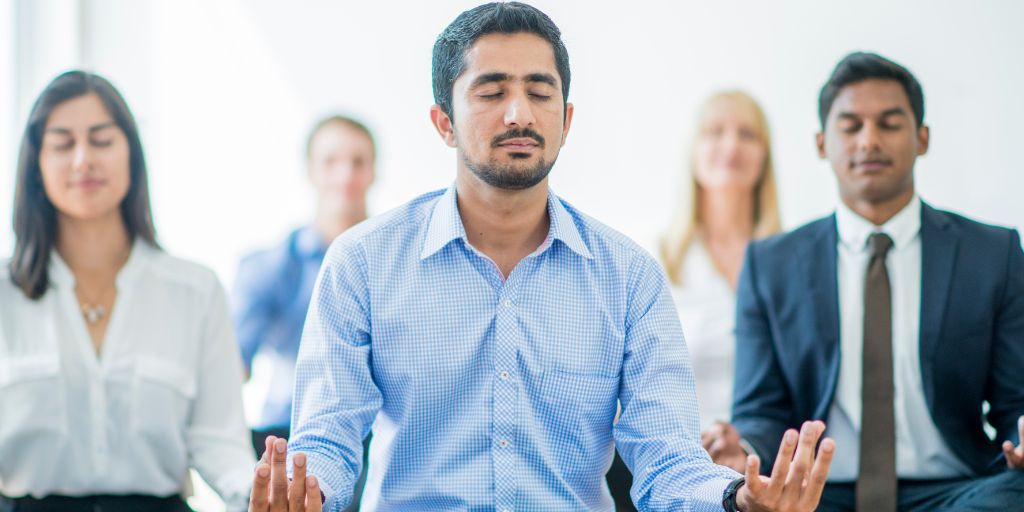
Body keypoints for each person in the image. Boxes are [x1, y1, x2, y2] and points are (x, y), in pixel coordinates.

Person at [251, 3, 835, 512]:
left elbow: (664, 458)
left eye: (539, 91)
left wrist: (736, 498)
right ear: (444, 123)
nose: (519, 114)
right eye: (492, 91)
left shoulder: (627, 276)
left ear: (566, 120)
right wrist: (306, 494)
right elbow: (328, 438)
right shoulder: (363, 263)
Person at [710, 52, 1024, 511]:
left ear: (922, 138)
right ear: (822, 143)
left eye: (890, 124)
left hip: (959, 492)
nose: (869, 141)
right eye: (850, 126)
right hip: (817, 494)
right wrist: (745, 450)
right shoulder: (771, 264)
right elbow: (760, 411)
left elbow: (1015, 401)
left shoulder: (993, 254)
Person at [0, 71, 267, 512]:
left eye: (102, 140)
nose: (83, 159)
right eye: (63, 143)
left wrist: (262, 495)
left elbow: (220, 442)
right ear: (36, 165)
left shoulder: (195, 290)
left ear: (131, 155)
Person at [607, 90, 783, 510]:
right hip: (667, 457)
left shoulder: (791, 265)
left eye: (747, 134)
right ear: (693, 151)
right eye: (714, 132)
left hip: (763, 457)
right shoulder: (650, 260)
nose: (730, 145)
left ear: (765, 156)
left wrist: (745, 443)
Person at [233, 114, 375, 510]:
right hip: (286, 431)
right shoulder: (268, 267)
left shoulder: (398, 266)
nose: (345, 173)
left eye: (358, 161)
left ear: (373, 172)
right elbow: (231, 365)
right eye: (331, 161)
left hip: (372, 438)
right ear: (311, 171)